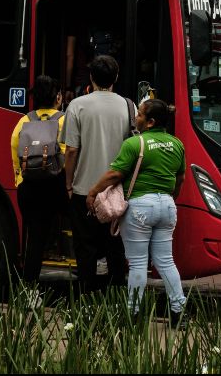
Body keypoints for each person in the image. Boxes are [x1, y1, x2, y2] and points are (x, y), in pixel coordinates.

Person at [87, 99, 187, 327]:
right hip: (167, 206)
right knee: (166, 262)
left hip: (141, 208)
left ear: (150, 122)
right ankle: (178, 312)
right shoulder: (177, 144)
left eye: (140, 115)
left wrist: (93, 192)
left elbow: (114, 175)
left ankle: (132, 315)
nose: (136, 119)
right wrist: (171, 199)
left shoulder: (135, 143)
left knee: (138, 263)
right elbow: (179, 178)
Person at [62, 55, 130, 293]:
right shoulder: (128, 106)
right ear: (116, 78)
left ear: (91, 77)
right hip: (116, 191)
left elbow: (71, 151)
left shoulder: (77, 106)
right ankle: (117, 295)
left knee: (85, 247)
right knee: (115, 246)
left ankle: (85, 296)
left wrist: (68, 185)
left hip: (84, 190)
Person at [10, 75, 67, 283]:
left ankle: (29, 288)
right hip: (57, 187)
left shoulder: (23, 121)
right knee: (80, 231)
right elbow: (67, 156)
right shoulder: (63, 120)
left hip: (29, 188)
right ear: (58, 97)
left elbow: (16, 154)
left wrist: (20, 182)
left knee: (35, 239)